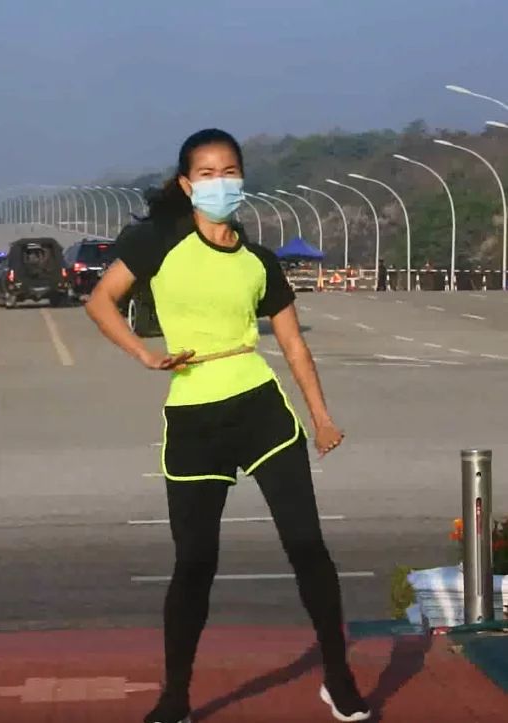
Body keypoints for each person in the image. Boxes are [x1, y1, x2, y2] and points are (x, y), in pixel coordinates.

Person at [85, 128, 370, 723]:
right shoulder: (157, 240)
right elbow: (100, 301)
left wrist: (321, 418)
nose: (221, 182)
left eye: (230, 171)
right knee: (194, 563)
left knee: (307, 548)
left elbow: (293, 347)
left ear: (243, 178)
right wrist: (144, 354)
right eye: (208, 173)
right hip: (194, 418)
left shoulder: (259, 262)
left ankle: (338, 676)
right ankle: (176, 697)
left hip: (262, 410)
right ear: (188, 185)